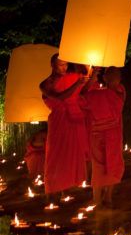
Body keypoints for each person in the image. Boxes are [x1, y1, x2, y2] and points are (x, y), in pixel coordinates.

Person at [39, 54, 89, 197]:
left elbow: (86, 82)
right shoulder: (45, 84)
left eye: (66, 64)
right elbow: (59, 98)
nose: (64, 67)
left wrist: (89, 67)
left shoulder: (72, 77)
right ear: (52, 64)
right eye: (60, 64)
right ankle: (53, 188)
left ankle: (69, 187)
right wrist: (77, 84)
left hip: (73, 117)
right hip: (58, 120)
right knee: (56, 154)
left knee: (72, 152)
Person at [80, 67, 125, 207]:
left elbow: (81, 96)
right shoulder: (120, 91)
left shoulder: (96, 94)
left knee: (98, 164)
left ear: (105, 78)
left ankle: (97, 198)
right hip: (113, 134)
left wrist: (92, 76)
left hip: (98, 134)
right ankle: (107, 197)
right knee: (113, 164)